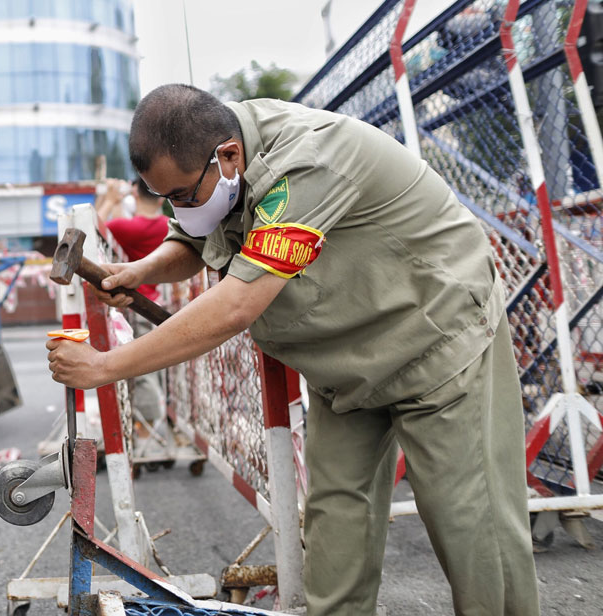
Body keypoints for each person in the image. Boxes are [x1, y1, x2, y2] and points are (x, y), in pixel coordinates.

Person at [47, 85, 539, 615]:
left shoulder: (306, 162)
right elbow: (193, 238)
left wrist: (105, 366)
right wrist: (140, 271)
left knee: (470, 524)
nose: (179, 208)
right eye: (166, 198)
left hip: (436, 342)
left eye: (185, 195)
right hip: (348, 363)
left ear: (229, 156)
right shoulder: (218, 159)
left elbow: (236, 305)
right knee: (336, 526)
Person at [96, 177, 168, 427]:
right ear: (161, 198)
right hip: (155, 301)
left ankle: (148, 429)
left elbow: (94, 226)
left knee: (141, 369)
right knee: (154, 367)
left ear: (134, 194)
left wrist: (109, 199)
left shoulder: (129, 228)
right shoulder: (166, 225)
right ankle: (153, 424)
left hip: (133, 305)